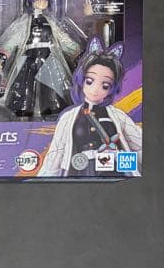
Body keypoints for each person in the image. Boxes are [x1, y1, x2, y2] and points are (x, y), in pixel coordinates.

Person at [39, 39, 142, 177]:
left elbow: (141, 146)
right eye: (89, 81)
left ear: (112, 88)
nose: (95, 89)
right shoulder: (69, 118)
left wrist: (119, 156)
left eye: (105, 85)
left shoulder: (118, 116)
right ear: (82, 80)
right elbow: (55, 154)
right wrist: (43, 182)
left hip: (113, 174)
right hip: (80, 171)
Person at [0, 0, 80, 118]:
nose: (42, 1)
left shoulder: (50, 22)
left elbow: (63, 40)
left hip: (49, 58)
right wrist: (0, 59)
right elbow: (12, 41)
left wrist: (78, 55)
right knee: (24, 88)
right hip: (29, 58)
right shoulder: (24, 22)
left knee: (52, 91)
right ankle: (23, 111)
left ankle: (52, 112)